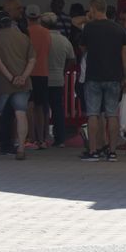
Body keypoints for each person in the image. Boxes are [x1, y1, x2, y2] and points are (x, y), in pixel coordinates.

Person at [77, 0, 126, 163]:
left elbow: (83, 48)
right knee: (112, 114)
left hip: (93, 76)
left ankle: (94, 151)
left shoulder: (89, 28)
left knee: (93, 114)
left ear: (93, 9)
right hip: (114, 76)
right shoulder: (119, 29)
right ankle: (112, 152)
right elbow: (124, 56)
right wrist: (125, 76)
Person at [0, 13, 34, 160]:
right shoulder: (24, 38)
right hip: (23, 83)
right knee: (21, 113)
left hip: (2, 83)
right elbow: (32, 60)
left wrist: (11, 78)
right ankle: (21, 148)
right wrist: (23, 77)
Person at [41, 12, 75, 149]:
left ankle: (41, 137)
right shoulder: (64, 40)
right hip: (58, 78)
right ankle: (59, 138)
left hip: (41, 78)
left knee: (41, 108)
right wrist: (63, 70)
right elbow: (72, 59)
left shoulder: (41, 39)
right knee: (57, 109)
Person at [26, 8, 52, 150]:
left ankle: (31, 138)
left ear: (27, 18)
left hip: (28, 72)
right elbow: (48, 50)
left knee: (29, 105)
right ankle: (41, 138)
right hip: (43, 71)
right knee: (41, 106)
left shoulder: (25, 32)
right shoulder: (46, 32)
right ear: (39, 17)